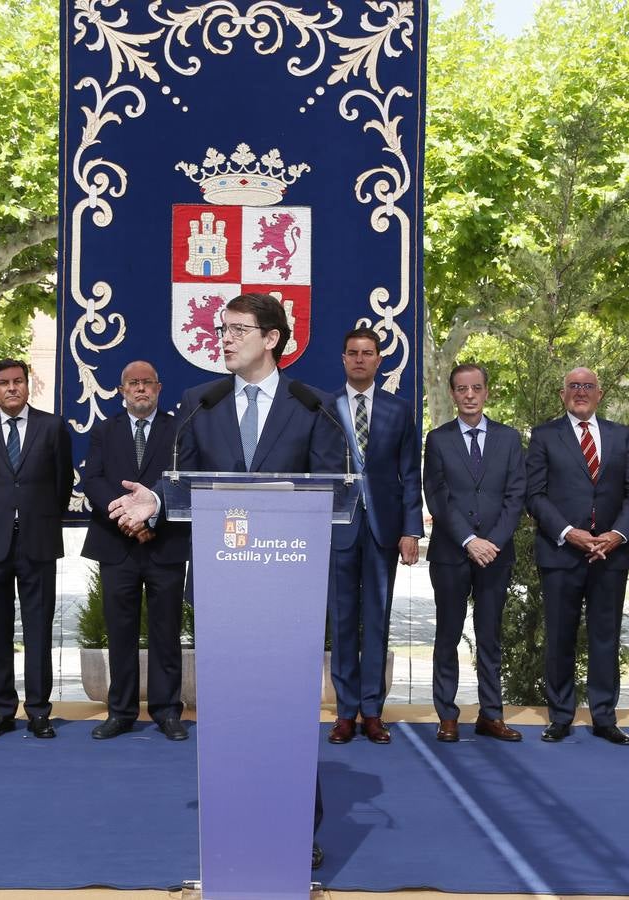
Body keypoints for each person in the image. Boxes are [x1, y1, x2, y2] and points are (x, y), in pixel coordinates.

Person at [108, 292, 343, 871]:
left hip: (289, 586)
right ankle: (234, 817)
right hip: (223, 585)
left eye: (239, 329)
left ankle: (294, 823)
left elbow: (334, 493)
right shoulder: (199, 403)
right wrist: (157, 501)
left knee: (287, 710)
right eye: (222, 328)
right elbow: (185, 482)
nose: (226, 338)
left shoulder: (313, 405)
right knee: (232, 710)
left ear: (272, 338)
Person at [525, 366, 629, 745]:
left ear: (600, 393)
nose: (580, 391)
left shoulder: (621, 436)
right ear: (563, 394)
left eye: (587, 386)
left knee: (605, 637)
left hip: (611, 555)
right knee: (559, 636)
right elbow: (535, 494)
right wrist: (568, 532)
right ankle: (560, 715)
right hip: (562, 552)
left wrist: (616, 534)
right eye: (573, 386)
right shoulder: (545, 436)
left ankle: (604, 717)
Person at [82, 361, 190, 741]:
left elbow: (183, 479)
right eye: (133, 383)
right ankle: (121, 711)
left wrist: (150, 518)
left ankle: (166, 711)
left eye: (147, 383)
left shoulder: (178, 430)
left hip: (165, 545)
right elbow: (91, 479)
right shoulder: (104, 431)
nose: (140, 389)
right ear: (122, 390)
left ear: (159, 388)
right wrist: (126, 518)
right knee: (120, 631)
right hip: (117, 545)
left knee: (166, 631)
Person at [0, 358, 73, 739]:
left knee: (38, 628)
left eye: (17, 382)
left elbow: (62, 484)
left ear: (28, 385)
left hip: (38, 540)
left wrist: (36, 515)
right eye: (2, 383)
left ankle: (40, 710)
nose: (11, 388)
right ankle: (3, 709)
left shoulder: (52, 426)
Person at [326, 328, 422, 746]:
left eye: (368, 353)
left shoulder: (399, 411)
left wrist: (411, 529)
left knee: (377, 623)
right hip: (338, 528)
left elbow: (410, 474)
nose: (360, 359)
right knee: (343, 622)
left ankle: (372, 712)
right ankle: (345, 713)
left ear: (379, 360)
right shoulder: (325, 409)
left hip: (384, 528)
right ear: (343, 359)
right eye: (353, 353)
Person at [423, 363, 526, 743]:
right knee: (447, 635)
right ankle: (447, 716)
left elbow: (516, 496)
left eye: (476, 388)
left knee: (490, 636)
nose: (469, 395)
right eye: (462, 389)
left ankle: (491, 714)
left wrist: (492, 543)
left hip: (496, 555)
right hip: (452, 553)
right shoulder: (438, 439)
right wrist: (469, 540)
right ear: (452, 393)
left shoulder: (509, 439)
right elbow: (437, 496)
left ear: (486, 392)